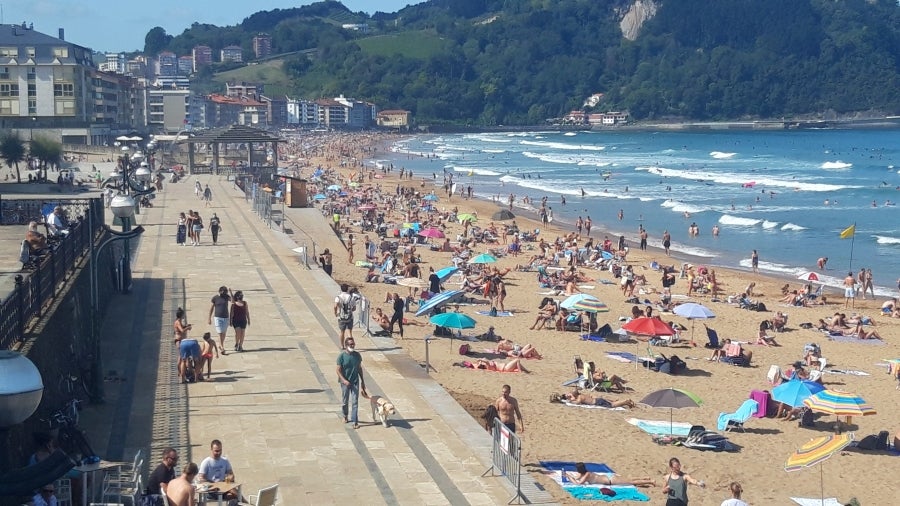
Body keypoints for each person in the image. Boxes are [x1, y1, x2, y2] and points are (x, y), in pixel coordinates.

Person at [336, 337, 365, 429]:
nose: (352, 346)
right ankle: (345, 415)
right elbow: (338, 370)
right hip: (345, 382)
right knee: (345, 401)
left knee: (355, 401)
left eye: (353, 344)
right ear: (346, 345)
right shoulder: (341, 356)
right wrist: (344, 380)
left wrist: (362, 381)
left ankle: (354, 421)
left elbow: (359, 368)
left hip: (355, 381)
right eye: (350, 344)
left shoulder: (357, 355)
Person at [565, 462, 655, 487]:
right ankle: (645, 477)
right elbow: (577, 478)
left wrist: (569, 477)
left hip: (611, 480)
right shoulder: (585, 473)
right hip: (609, 477)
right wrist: (568, 476)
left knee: (631, 482)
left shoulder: (586, 474)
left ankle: (650, 481)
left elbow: (578, 483)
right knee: (628, 479)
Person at [208, 286, 232, 354]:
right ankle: (222, 347)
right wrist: (209, 318)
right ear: (220, 291)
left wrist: (231, 292)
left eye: (225, 292)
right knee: (220, 332)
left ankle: (221, 345)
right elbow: (211, 308)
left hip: (226, 317)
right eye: (223, 292)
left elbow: (233, 301)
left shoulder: (226, 297)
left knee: (223, 333)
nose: (223, 293)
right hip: (218, 318)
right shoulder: (215, 298)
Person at [555, 390, 636, 408]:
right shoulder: (581, 395)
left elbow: (577, 403)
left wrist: (570, 401)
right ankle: (626, 403)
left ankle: (626, 401)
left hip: (597, 402)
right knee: (612, 403)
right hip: (598, 399)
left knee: (612, 405)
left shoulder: (579, 397)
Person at [334, 283, 357, 348]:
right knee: (349, 331)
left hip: (341, 317)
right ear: (347, 289)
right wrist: (350, 310)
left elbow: (335, 306)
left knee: (342, 332)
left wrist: (335, 313)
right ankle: (351, 345)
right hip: (349, 317)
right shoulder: (351, 297)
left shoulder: (338, 297)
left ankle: (342, 345)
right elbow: (354, 308)